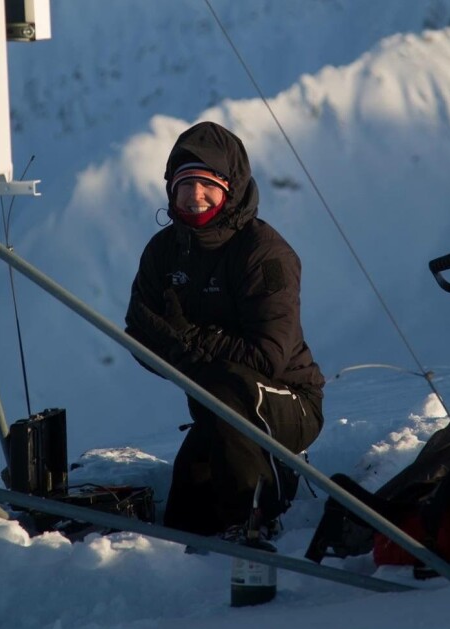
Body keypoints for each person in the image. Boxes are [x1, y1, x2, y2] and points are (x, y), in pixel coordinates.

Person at [125, 121, 325, 537]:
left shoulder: (264, 254)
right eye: (184, 185)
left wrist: (186, 339)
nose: (194, 197)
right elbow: (140, 338)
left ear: (230, 189)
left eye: (206, 185)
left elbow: (267, 357)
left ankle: (258, 520)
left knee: (227, 390)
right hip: (216, 407)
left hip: (289, 401)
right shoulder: (164, 252)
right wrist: (184, 347)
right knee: (184, 521)